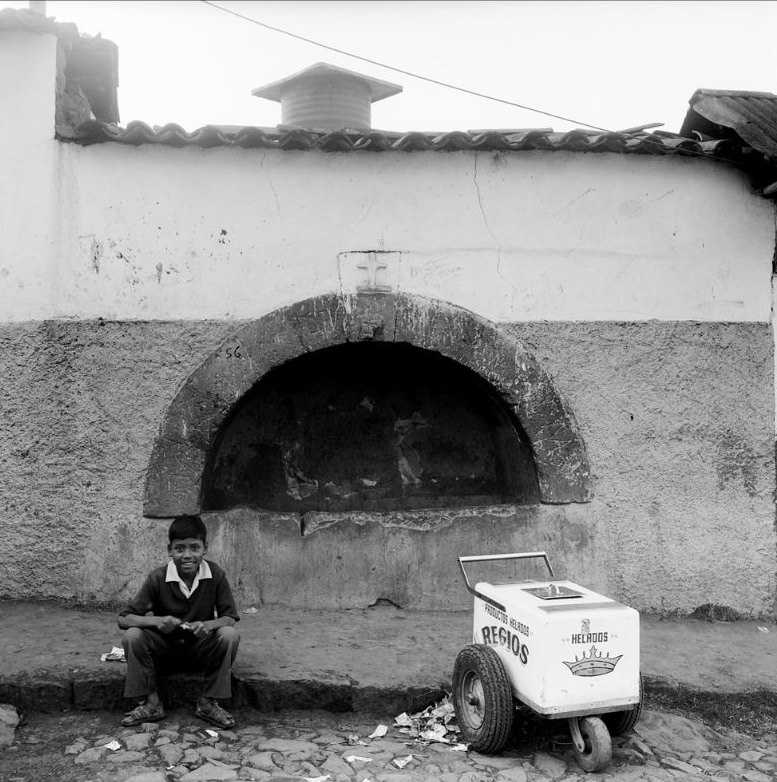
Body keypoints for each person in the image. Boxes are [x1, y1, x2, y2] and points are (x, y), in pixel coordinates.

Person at [118, 514, 240, 729]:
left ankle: (208, 702)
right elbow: (125, 618)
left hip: (199, 652)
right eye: (179, 548)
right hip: (164, 652)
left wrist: (208, 626)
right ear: (169, 550)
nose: (187, 555)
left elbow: (229, 617)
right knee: (132, 636)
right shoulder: (158, 577)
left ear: (205, 548)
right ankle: (152, 702)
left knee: (229, 636)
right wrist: (156, 621)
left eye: (194, 548)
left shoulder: (216, 575)